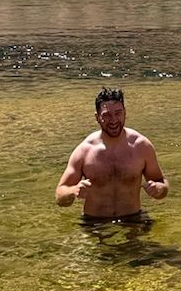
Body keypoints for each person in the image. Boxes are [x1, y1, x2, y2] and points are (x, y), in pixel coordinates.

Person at [55, 87, 168, 222]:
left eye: (118, 113)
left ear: (125, 113)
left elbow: (161, 183)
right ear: (97, 117)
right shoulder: (84, 151)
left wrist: (160, 189)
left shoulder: (142, 147)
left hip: (133, 219)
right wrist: (73, 191)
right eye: (107, 115)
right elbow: (60, 196)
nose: (114, 120)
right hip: (93, 222)